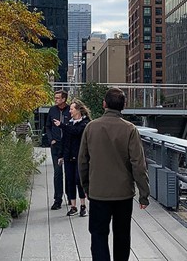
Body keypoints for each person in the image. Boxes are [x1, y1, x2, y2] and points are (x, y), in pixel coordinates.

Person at [79, 88, 150, 261]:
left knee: (98, 235)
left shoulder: (91, 127)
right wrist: (144, 195)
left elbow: (82, 161)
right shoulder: (130, 129)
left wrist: (87, 186)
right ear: (123, 106)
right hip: (123, 193)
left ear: (104, 104)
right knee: (122, 235)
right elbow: (138, 165)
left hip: (98, 193)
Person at [54, 100, 91, 217]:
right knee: (69, 181)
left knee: (79, 180)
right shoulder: (69, 124)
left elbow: (76, 132)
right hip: (68, 156)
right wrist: (60, 155)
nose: (69, 111)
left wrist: (61, 125)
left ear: (78, 110)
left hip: (81, 158)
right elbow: (64, 140)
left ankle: (83, 206)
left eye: (71, 109)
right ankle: (73, 206)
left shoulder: (85, 123)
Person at [46, 90, 71, 210]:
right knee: (57, 172)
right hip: (56, 146)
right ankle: (57, 199)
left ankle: (71, 197)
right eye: (55, 98)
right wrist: (51, 139)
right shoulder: (52, 110)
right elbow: (47, 126)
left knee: (69, 172)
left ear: (64, 99)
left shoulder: (71, 110)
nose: (55, 100)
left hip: (68, 146)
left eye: (58, 98)